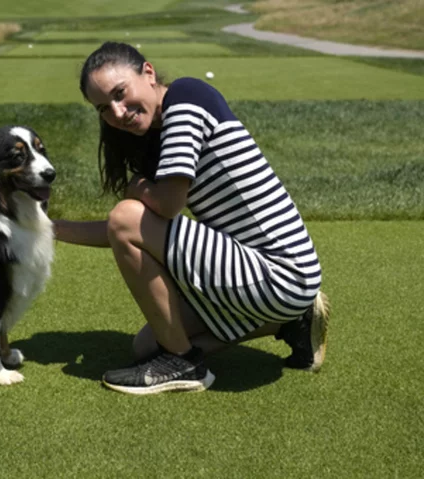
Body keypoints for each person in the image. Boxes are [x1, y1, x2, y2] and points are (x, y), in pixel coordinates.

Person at [54, 42, 330, 395]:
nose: (118, 112)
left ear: (149, 73)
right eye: (104, 108)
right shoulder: (155, 138)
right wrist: (51, 229)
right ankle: (292, 322)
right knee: (146, 346)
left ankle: (183, 363)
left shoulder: (185, 98)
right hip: (266, 276)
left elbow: (164, 207)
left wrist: (138, 188)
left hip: (281, 270)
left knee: (127, 217)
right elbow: (121, 230)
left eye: (120, 94)